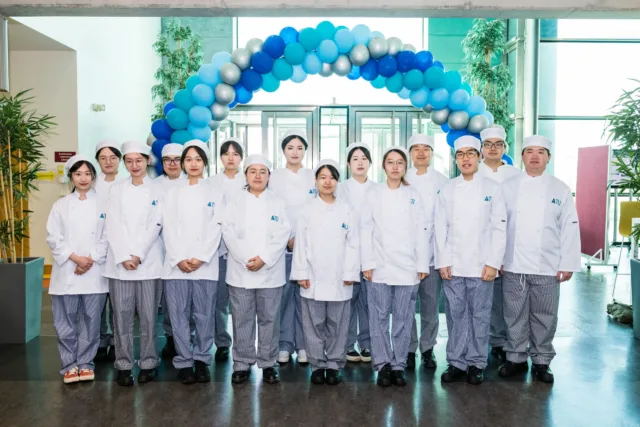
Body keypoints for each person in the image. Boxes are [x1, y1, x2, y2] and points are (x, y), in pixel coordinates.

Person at [498, 135, 581, 384]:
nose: (535, 156)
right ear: (522, 156)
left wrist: (567, 263)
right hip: (513, 264)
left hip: (548, 265)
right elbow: (498, 226)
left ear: (548, 158)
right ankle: (515, 358)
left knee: (545, 315)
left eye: (541, 152)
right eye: (530, 151)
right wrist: (496, 258)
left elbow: (570, 227)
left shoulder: (560, 188)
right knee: (514, 314)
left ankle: (542, 361)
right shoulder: (508, 187)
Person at [435, 135, 507, 385]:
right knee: (455, 314)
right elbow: (440, 227)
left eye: (470, 153)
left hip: (482, 265)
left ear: (479, 157)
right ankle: (456, 361)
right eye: (460, 154)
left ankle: (477, 362)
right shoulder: (447, 188)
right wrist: (442, 261)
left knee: (480, 314)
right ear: (456, 160)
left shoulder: (492, 189)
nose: (465, 159)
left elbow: (499, 228)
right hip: (453, 264)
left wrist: (493, 263)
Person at [361, 146, 430, 388]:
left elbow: (422, 230)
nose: (395, 166)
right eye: (390, 162)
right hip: (379, 265)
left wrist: (422, 262)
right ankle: (382, 365)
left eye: (400, 162)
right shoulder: (374, 193)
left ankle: (399, 364)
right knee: (378, 318)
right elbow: (365, 229)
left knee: (403, 317)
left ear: (405, 167)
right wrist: (367, 262)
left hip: (408, 267)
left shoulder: (413, 195)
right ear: (383, 166)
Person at [221, 154, 291, 385]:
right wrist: (245, 258)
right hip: (240, 272)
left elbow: (283, 233)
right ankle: (241, 363)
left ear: (269, 176)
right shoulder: (234, 202)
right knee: (242, 319)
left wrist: (264, 258)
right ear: (246, 175)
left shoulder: (278, 203)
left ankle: (268, 363)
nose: (258, 176)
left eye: (263, 172)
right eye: (253, 171)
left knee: (270, 319)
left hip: (270, 272)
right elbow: (228, 233)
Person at [291, 159, 360, 386]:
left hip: (340, 277)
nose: (327, 182)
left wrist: (351, 271)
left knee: (338, 324)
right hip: (313, 276)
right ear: (316, 181)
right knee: (314, 324)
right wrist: (301, 272)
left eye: (332, 177)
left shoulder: (346, 209)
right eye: (323, 177)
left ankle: (334, 365)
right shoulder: (307, 210)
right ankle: (317, 364)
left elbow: (353, 244)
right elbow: (300, 244)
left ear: (337, 182)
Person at [161, 140, 224, 385]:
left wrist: (200, 257)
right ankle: (184, 361)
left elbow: (216, 227)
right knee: (178, 314)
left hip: (205, 265)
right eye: (188, 159)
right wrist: (178, 258)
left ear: (205, 163)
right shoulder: (171, 193)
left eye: (198, 159)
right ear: (183, 163)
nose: (193, 164)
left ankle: (201, 360)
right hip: (176, 266)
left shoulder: (215, 194)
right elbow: (167, 227)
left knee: (204, 314)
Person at [103, 140, 163, 387]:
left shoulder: (158, 189)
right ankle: (124, 364)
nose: (134, 165)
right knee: (122, 317)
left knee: (149, 317)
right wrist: (125, 256)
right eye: (129, 161)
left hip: (148, 263)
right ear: (124, 163)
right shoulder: (115, 189)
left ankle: (149, 362)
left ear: (147, 161)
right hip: (120, 264)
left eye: (139, 160)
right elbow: (112, 224)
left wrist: (138, 254)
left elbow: (156, 223)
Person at [46, 155, 108, 384]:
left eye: (87, 174)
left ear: (94, 176)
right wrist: (75, 259)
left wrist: (89, 260)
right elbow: (53, 238)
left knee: (92, 321)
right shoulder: (60, 205)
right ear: (71, 176)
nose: (83, 178)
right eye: (78, 173)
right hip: (67, 273)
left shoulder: (104, 204)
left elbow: (108, 237)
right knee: (65, 322)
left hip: (94, 272)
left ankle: (86, 362)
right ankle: (69, 365)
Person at [269, 130, 315, 365]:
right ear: (283, 151)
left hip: (310, 247)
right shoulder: (274, 177)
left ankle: (305, 344)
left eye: (299, 148)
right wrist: (288, 237)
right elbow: (272, 211)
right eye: (290, 148)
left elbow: (319, 210)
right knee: (284, 297)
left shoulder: (314, 176)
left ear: (305, 151)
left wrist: (305, 239)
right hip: (283, 247)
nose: (295, 152)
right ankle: (284, 344)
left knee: (306, 297)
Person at [476, 125, 522, 363]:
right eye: (488, 144)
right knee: (488, 300)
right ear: (481, 149)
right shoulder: (474, 172)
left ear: (505, 148)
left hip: (513, 245)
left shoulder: (516, 175)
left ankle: (509, 343)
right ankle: (490, 341)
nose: (493, 149)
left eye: (498, 144)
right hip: (482, 248)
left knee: (511, 300)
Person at [405, 134, 448, 371]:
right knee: (406, 306)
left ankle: (428, 349)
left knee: (430, 304)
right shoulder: (400, 179)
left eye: (426, 149)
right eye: (416, 149)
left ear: (432, 153)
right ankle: (409, 349)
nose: (421, 153)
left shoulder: (443, 181)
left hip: (432, 255)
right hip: (405, 258)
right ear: (410, 153)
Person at [208, 137, 247, 363]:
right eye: (226, 153)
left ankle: (245, 345)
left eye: (235, 153)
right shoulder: (211, 182)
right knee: (220, 298)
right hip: (220, 248)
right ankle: (222, 342)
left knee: (243, 300)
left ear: (241, 157)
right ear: (220, 157)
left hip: (245, 247)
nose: (230, 158)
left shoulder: (249, 178)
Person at [337, 143, 374, 364]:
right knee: (347, 303)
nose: (360, 162)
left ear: (369, 163)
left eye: (364, 158)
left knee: (370, 303)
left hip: (372, 254)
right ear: (349, 164)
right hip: (346, 254)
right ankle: (348, 344)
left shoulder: (378, 188)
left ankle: (367, 344)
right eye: (355, 159)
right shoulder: (341, 188)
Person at [154, 143, 187, 361]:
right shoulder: (153, 186)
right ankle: (171, 337)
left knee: (189, 301)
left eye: (177, 159)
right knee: (167, 301)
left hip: (188, 253)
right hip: (159, 251)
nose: (173, 164)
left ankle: (188, 338)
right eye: (168, 160)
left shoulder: (193, 184)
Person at [93, 139, 123, 362]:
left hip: (118, 250)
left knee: (117, 300)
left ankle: (116, 341)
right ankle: (100, 339)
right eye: (103, 158)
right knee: (97, 299)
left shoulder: (126, 183)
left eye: (113, 157)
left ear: (119, 160)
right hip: (95, 250)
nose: (108, 162)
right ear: (97, 162)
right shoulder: (91, 184)